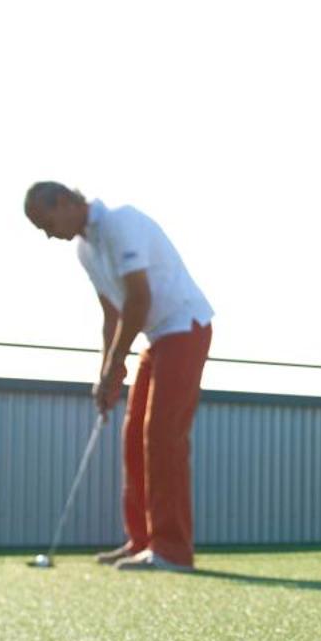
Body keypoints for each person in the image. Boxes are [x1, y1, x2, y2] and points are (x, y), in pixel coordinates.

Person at [23, 181, 213, 572]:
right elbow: (113, 313)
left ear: (63, 202)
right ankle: (142, 540)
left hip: (184, 325)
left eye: (46, 223)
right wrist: (107, 373)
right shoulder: (84, 249)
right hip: (157, 335)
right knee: (133, 437)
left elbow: (139, 299)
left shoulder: (121, 222)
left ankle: (172, 550)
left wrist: (116, 363)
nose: (48, 234)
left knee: (162, 436)